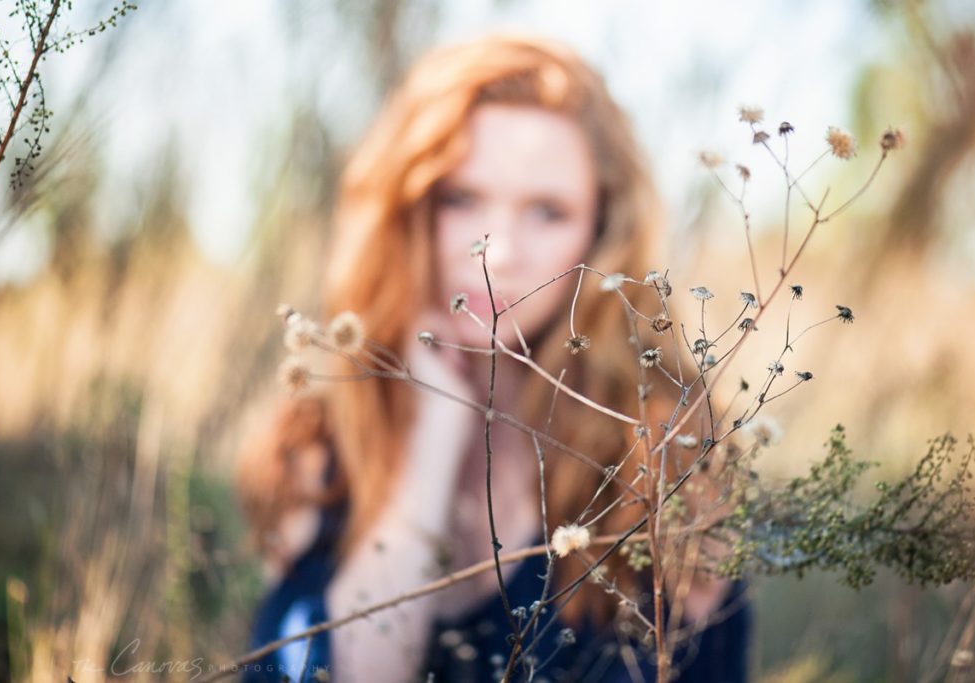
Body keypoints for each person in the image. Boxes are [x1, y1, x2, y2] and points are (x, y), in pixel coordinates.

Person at [236, 33, 750, 683]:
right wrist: (428, 452)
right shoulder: (317, 441)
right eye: (461, 199)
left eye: (547, 211)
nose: (497, 251)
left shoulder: (665, 453)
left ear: (600, 231)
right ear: (407, 210)